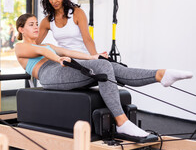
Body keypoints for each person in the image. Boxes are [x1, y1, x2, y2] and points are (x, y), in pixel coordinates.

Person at [15, 13, 193, 138]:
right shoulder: (20, 46)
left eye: (37, 23)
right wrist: (58, 58)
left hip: (61, 68)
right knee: (103, 66)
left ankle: (160, 75)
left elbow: (67, 50)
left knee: (108, 65)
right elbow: (41, 51)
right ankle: (122, 122)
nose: (36, 27)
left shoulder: (47, 44)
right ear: (21, 29)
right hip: (50, 74)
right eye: (31, 25)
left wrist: (92, 56)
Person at [37, 0, 103, 56]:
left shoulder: (77, 13)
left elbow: (87, 39)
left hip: (83, 56)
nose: (54, 1)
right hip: (64, 60)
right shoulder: (47, 21)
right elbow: (34, 44)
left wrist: (95, 57)